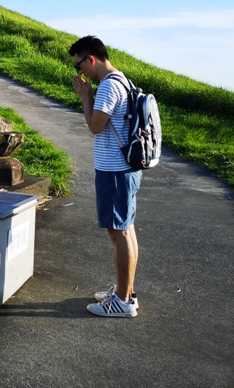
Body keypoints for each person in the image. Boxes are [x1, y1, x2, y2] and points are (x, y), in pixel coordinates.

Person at [69, 35, 141, 318]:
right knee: (127, 229)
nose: (80, 72)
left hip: (114, 171)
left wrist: (86, 98)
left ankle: (122, 301)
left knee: (118, 233)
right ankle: (127, 292)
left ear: (91, 59)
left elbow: (95, 126)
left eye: (79, 65)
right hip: (126, 169)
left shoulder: (108, 86)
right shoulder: (123, 80)